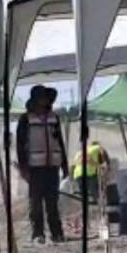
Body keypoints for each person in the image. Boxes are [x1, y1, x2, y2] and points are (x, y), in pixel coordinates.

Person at [16, 85, 68, 244]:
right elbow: (20, 145)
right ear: (36, 99)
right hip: (34, 168)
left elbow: (60, 142)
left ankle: (57, 233)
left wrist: (65, 165)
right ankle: (38, 234)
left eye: (47, 97)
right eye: (43, 97)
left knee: (53, 203)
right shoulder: (25, 119)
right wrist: (23, 168)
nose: (45, 100)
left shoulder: (54, 118)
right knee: (36, 204)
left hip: (52, 167)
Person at [71, 139, 110, 204]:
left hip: (77, 175)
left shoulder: (80, 152)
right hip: (89, 173)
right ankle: (96, 198)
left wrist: (72, 182)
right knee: (95, 189)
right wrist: (104, 163)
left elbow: (72, 166)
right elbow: (102, 153)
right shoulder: (98, 147)